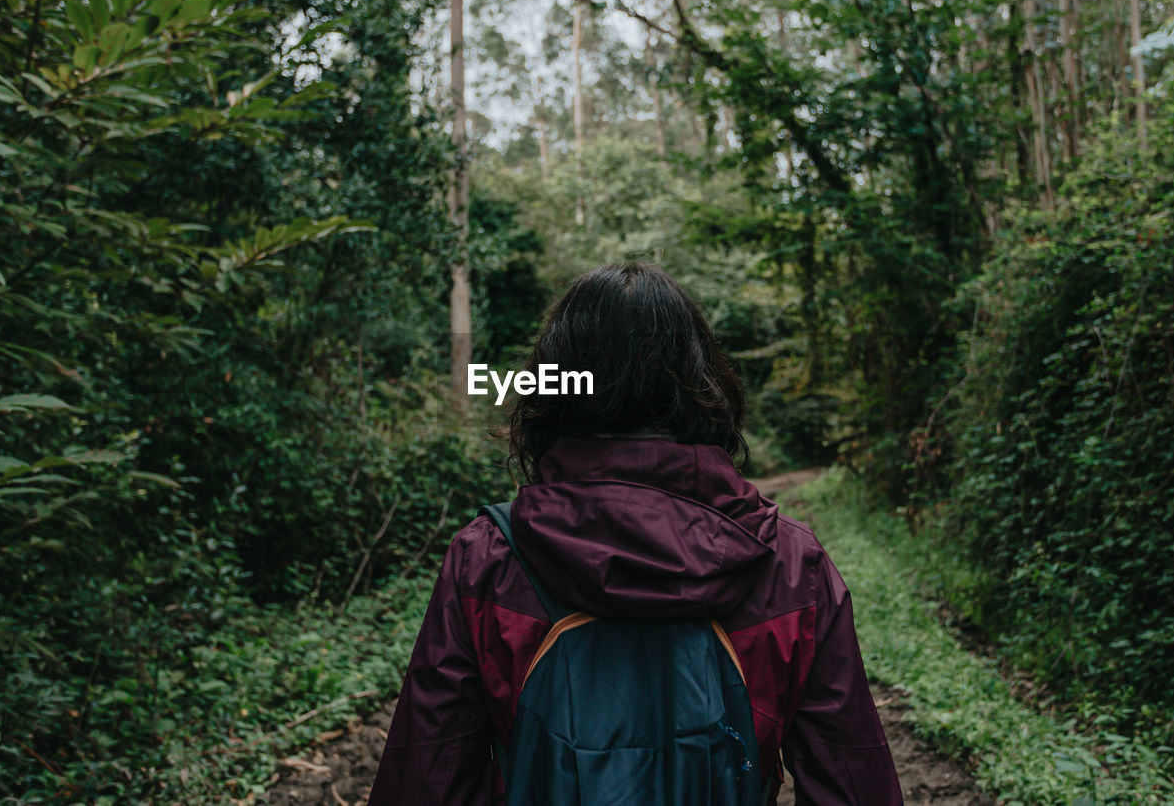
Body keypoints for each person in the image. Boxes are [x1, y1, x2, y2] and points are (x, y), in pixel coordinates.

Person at [367, 262, 902, 805]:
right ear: (703, 383)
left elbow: (427, 781)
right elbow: (851, 786)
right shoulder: (790, 563)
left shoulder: (486, 560)